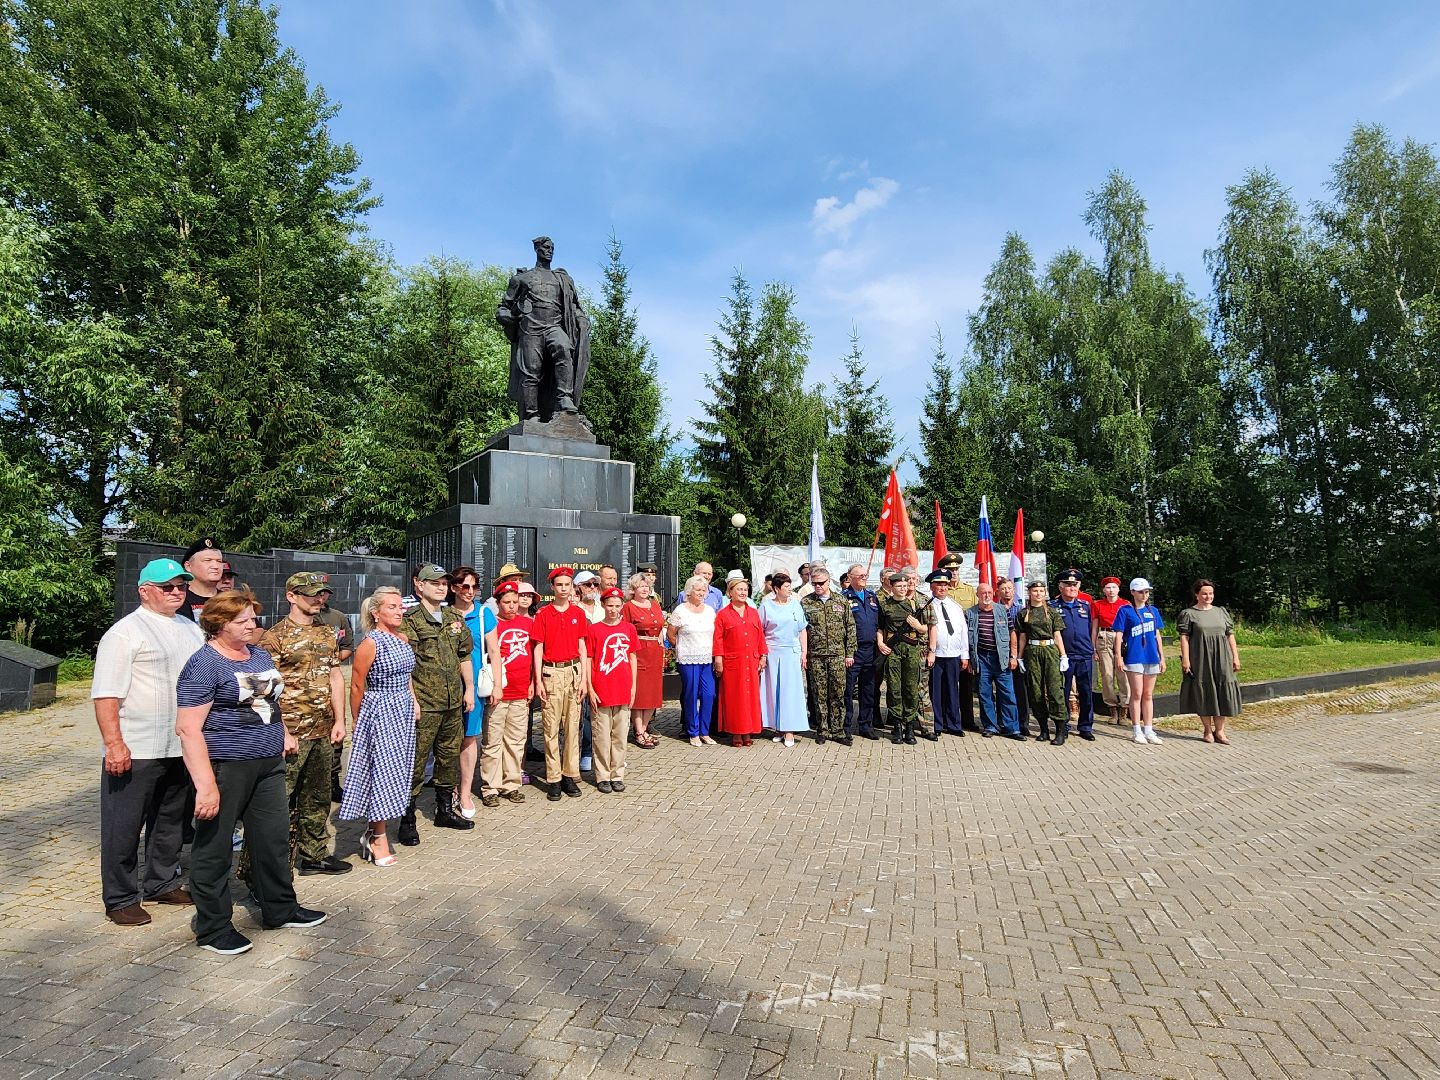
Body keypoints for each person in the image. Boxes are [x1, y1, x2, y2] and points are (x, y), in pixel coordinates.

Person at [176, 591, 326, 955]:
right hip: (226, 766)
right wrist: (206, 786)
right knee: (214, 847)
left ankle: (280, 907)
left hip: (268, 763)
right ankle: (213, 928)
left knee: (272, 839)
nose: (251, 626)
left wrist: (286, 733)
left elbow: (269, 702)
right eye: (241, 621)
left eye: (252, 619)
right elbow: (188, 729)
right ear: (217, 625)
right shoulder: (204, 664)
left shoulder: (258, 654)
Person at [92, 557, 204, 926]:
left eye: (181, 586)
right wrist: (114, 743)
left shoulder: (190, 628)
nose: (176, 592)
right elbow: (106, 694)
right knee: (123, 825)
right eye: (167, 587)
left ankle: (162, 882)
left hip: (180, 744)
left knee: (171, 821)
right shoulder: (125, 633)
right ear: (144, 591)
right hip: (137, 746)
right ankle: (121, 897)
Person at [256, 572, 351, 875]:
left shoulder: (326, 632)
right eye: (311, 593)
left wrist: (340, 719)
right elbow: (265, 692)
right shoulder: (274, 637)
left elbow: (335, 675)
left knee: (319, 796)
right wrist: (281, 731)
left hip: (322, 730)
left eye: (322, 593)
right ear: (291, 596)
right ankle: (271, 866)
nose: (318, 599)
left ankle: (314, 855)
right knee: (279, 802)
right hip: (290, 733)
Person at [339, 587, 419, 867]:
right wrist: (359, 721)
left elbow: (407, 676)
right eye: (392, 607)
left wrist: (414, 701)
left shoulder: (403, 638)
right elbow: (357, 685)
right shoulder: (370, 643)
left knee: (398, 772)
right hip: (380, 710)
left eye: (400, 606)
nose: (399, 611)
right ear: (376, 612)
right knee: (381, 774)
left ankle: (378, 830)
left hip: (403, 710)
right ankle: (377, 835)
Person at [398, 564, 475, 843]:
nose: (441, 587)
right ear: (419, 586)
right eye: (435, 583)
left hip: (453, 702)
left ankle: (444, 810)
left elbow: (464, 655)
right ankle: (407, 818)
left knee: (448, 757)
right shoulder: (411, 620)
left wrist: (469, 690)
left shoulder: (454, 617)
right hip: (425, 704)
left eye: (444, 583)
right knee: (416, 762)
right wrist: (413, 700)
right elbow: (406, 665)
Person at [495, 235, 591, 422]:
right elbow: (503, 307)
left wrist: (582, 319)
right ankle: (531, 415)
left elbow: (574, 307)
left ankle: (564, 397)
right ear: (537, 250)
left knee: (564, 348)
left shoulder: (562, 279)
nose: (549, 251)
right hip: (531, 328)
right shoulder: (521, 278)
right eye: (546, 248)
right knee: (532, 371)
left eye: (552, 248)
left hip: (553, 326)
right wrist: (505, 315)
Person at [531, 566, 590, 801]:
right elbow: (538, 647)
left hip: (574, 672)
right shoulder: (544, 614)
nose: (564, 589)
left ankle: (569, 774)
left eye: (567, 585)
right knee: (551, 729)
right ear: (553, 587)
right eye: (560, 585)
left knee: (573, 727)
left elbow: (582, 646)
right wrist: (538, 680)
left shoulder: (579, 613)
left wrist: (584, 677)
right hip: (552, 674)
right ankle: (554, 777)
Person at [448, 566, 502, 815]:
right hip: (446, 684)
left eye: (474, 587)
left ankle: (466, 791)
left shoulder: (483, 615)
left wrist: (498, 685)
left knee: (470, 738)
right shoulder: (443, 613)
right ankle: (449, 790)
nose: (469, 592)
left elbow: (494, 652)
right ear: (454, 588)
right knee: (447, 741)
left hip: (475, 685)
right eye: (465, 586)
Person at [481, 581, 533, 804]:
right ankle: (490, 786)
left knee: (515, 740)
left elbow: (532, 655)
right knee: (493, 741)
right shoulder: (492, 624)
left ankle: (510, 783)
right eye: (506, 602)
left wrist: (532, 682)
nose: (511, 606)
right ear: (498, 603)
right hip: (499, 691)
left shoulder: (527, 623)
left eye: (514, 601)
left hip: (521, 689)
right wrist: (495, 686)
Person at [585, 587, 638, 791]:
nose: (613, 610)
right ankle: (602, 775)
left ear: (621, 607)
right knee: (602, 736)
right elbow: (589, 659)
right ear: (603, 605)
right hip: (602, 688)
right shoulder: (595, 629)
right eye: (610, 605)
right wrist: (590, 687)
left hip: (623, 688)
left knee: (620, 735)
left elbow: (632, 657)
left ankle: (617, 774)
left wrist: (633, 686)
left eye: (617, 606)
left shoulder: (629, 629)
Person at [1177, 579, 1242, 745]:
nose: (1208, 596)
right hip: (1200, 657)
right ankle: (1207, 730)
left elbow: (1230, 635)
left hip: (1222, 657)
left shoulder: (1221, 612)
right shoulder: (1189, 614)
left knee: (1223, 690)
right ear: (1197, 594)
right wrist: (1186, 659)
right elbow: (1184, 638)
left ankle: (1220, 731)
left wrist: (1235, 656)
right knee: (1204, 690)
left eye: (1211, 593)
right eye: (1204, 593)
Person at [878, 570, 938, 745]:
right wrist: (881, 643)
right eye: (899, 586)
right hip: (893, 650)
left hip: (912, 649)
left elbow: (927, 628)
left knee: (911, 689)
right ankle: (897, 726)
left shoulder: (916, 605)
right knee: (894, 689)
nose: (903, 588)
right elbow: (880, 627)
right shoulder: (885, 605)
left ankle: (910, 727)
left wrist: (918, 626)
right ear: (892, 586)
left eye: (905, 586)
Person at [801, 565, 855, 745]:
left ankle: (838, 730)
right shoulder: (806, 602)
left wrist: (849, 653)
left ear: (829, 581)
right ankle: (822, 729)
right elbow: (802, 630)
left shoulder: (841, 601)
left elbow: (850, 628)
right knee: (819, 694)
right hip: (816, 656)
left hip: (838, 655)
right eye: (814, 583)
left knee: (838, 693)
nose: (817, 586)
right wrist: (805, 654)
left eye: (821, 583)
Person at [713, 573, 767, 746]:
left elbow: (760, 636)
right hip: (732, 662)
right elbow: (718, 638)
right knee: (734, 697)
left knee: (750, 697)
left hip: (751, 661)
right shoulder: (722, 614)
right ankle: (736, 732)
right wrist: (718, 659)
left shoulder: (753, 612)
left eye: (745, 590)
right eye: (739, 589)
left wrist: (763, 655)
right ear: (730, 592)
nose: (743, 593)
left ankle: (749, 731)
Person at [966, 582, 1024, 740]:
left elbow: (1012, 633)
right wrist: (969, 659)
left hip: (1001, 658)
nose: (986, 596)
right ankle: (990, 726)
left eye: (989, 593)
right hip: (981, 658)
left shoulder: (1002, 611)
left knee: (1008, 694)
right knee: (985, 694)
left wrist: (1013, 656)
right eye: (983, 593)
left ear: (994, 594)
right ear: (977, 595)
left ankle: (1012, 728)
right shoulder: (970, 613)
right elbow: (965, 638)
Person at [1112, 577, 1167, 745]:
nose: (1144, 595)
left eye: (1147, 592)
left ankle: (1149, 729)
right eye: (1141, 592)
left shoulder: (1153, 611)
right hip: (1134, 656)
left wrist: (1162, 657)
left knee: (1148, 694)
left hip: (1151, 656)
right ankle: (1136, 730)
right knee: (1136, 694)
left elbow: (1157, 634)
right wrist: (1118, 656)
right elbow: (1119, 635)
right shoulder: (1125, 611)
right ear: (1133, 592)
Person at [759, 571, 808, 747]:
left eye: (790, 586)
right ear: (777, 588)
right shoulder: (765, 606)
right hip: (772, 653)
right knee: (773, 692)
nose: (789, 589)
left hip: (791, 653)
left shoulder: (796, 605)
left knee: (790, 692)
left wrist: (804, 653)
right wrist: (762, 655)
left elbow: (802, 629)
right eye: (786, 587)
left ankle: (790, 730)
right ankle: (778, 727)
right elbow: (760, 632)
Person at [1015, 580, 1068, 745]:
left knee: (1055, 691)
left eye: (1041, 591)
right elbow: (1022, 636)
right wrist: (1020, 657)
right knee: (1035, 692)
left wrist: (1063, 655)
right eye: (1035, 591)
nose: (1038, 594)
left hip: (1050, 651)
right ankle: (1043, 730)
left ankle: (1060, 731)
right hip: (1032, 652)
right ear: (1030, 593)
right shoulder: (1023, 613)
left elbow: (1057, 635)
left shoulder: (1052, 612)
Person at [668, 575, 718, 746]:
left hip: (707, 658)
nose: (701, 593)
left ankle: (705, 731)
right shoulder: (681, 610)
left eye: (704, 590)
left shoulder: (710, 610)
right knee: (690, 694)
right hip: (688, 659)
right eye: (698, 590)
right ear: (689, 592)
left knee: (709, 694)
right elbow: (671, 634)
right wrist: (682, 647)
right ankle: (693, 731)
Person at [1051, 568, 1096, 742]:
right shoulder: (1053, 607)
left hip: (1084, 654)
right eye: (1068, 585)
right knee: (1063, 691)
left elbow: (1092, 628)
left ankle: (1085, 726)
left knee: (1086, 692)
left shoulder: (1085, 606)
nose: (1072, 588)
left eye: (1075, 585)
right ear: (1060, 587)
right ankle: (1064, 726)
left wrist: (1093, 649)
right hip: (1065, 655)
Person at [925, 568, 969, 737]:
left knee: (952, 690)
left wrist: (964, 654)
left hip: (953, 654)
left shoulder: (956, 607)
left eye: (945, 584)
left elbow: (962, 631)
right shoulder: (927, 606)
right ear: (932, 587)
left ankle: (954, 724)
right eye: (938, 585)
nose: (942, 588)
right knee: (935, 691)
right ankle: (937, 724)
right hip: (936, 655)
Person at [622, 573, 664, 749]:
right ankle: (638, 731)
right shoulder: (628, 607)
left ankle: (645, 728)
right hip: (639, 652)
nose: (645, 589)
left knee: (652, 694)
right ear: (633, 589)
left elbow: (661, 625)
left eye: (647, 586)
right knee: (640, 694)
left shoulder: (654, 604)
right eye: (641, 586)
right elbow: (625, 630)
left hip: (655, 651)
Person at [843, 565, 882, 740]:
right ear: (850, 578)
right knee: (848, 690)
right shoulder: (844, 598)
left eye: (865, 575)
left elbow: (879, 623)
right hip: (853, 651)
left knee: (868, 690)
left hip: (870, 650)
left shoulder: (872, 597)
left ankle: (866, 726)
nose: (863, 578)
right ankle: (845, 726)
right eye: (859, 576)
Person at [1091, 576, 1131, 723]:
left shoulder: (1126, 604)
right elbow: (1094, 627)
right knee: (1107, 674)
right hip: (1104, 636)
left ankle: (1124, 708)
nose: (1111, 590)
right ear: (1104, 590)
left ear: (1118, 589)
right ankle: (1112, 709)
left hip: (1121, 638)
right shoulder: (1097, 604)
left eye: (1114, 587)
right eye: (1108, 587)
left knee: (1123, 674)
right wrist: (1093, 647)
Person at [178, 537, 225, 622]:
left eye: (219, 561)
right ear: (188, 566)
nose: (215, 566)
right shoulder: (177, 599)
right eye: (208, 560)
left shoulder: (231, 599)